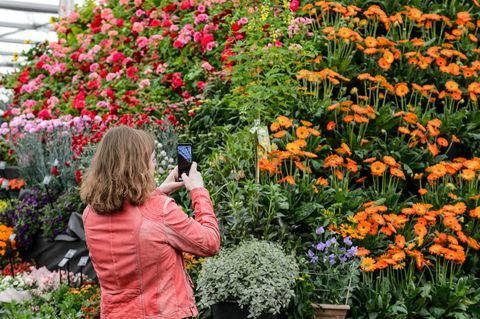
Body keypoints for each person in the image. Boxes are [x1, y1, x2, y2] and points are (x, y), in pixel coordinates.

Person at [80, 126, 220, 319]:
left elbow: (134, 218)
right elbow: (210, 243)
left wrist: (159, 191)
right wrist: (198, 191)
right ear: (138, 166)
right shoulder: (160, 210)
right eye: (152, 160)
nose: (153, 165)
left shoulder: (90, 213)